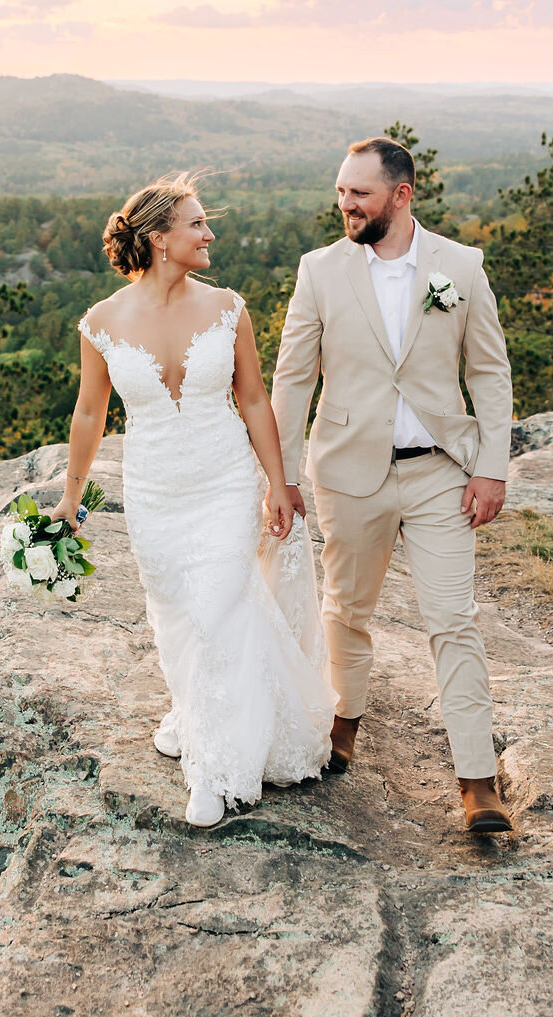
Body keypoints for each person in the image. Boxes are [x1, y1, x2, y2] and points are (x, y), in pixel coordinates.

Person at [49, 172, 334, 828]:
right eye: (197, 224)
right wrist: (70, 498)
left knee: (217, 608)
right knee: (178, 614)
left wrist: (278, 481)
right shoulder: (100, 322)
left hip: (224, 482)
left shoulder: (228, 308)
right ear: (158, 238)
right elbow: (89, 415)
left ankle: (214, 771)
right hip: (153, 492)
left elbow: (254, 398)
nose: (210, 234)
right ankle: (198, 709)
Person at [271, 137, 515, 833]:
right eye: (341, 192)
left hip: (441, 470)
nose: (346, 204)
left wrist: (492, 464)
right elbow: (293, 378)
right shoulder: (318, 271)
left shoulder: (460, 267)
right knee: (347, 608)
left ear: (402, 195)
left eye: (360, 194)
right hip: (350, 471)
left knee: (453, 619)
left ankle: (477, 780)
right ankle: (345, 715)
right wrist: (282, 476)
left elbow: (490, 372)